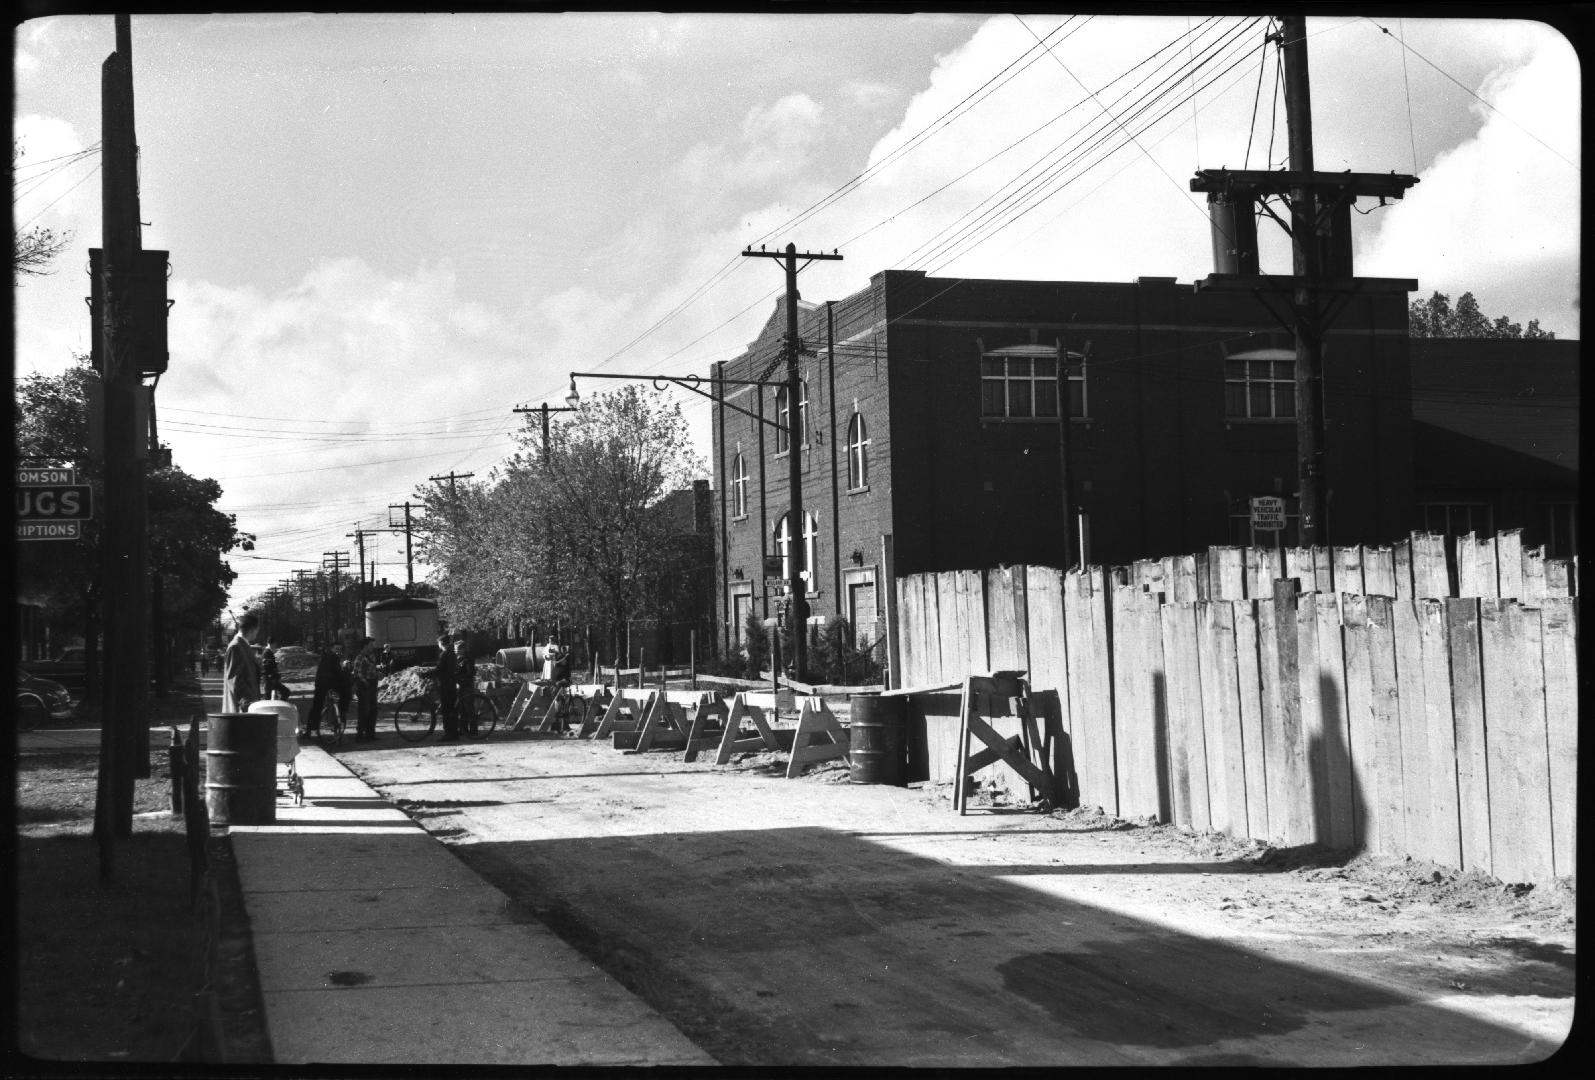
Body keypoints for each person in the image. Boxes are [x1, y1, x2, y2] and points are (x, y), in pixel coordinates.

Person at [306, 641, 352, 740]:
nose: (338, 651)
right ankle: (342, 711)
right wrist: (346, 675)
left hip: (321, 684)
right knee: (346, 692)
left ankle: (309, 730)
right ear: (332, 649)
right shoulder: (333, 657)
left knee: (316, 706)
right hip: (327, 684)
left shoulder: (326, 656)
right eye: (336, 649)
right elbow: (338, 673)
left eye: (339, 649)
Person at [222, 613, 262, 713]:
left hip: (247, 707)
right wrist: (247, 704)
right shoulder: (236, 647)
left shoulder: (243, 645)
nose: (257, 633)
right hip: (241, 711)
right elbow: (235, 679)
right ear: (253, 629)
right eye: (257, 630)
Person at [429, 633, 459, 739]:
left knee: (446, 710)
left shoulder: (445, 654)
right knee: (451, 710)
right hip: (451, 684)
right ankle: (454, 733)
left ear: (441, 643)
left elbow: (439, 669)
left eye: (438, 643)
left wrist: (426, 674)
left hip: (446, 685)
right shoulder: (452, 653)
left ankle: (449, 734)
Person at [352, 637, 381, 741]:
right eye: (371, 645)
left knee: (373, 710)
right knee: (364, 710)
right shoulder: (360, 657)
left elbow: (371, 669)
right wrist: (364, 681)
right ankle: (360, 735)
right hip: (364, 686)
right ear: (365, 646)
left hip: (372, 684)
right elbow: (357, 672)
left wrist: (377, 673)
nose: (373, 647)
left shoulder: (372, 656)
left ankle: (370, 734)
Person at [453, 640, 477, 735]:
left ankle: (473, 730)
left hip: (466, 685)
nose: (456, 651)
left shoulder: (468, 659)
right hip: (461, 685)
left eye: (457, 649)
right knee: (462, 708)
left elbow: (470, 673)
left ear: (463, 649)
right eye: (455, 649)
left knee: (469, 708)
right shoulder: (459, 659)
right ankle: (463, 729)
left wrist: (462, 680)